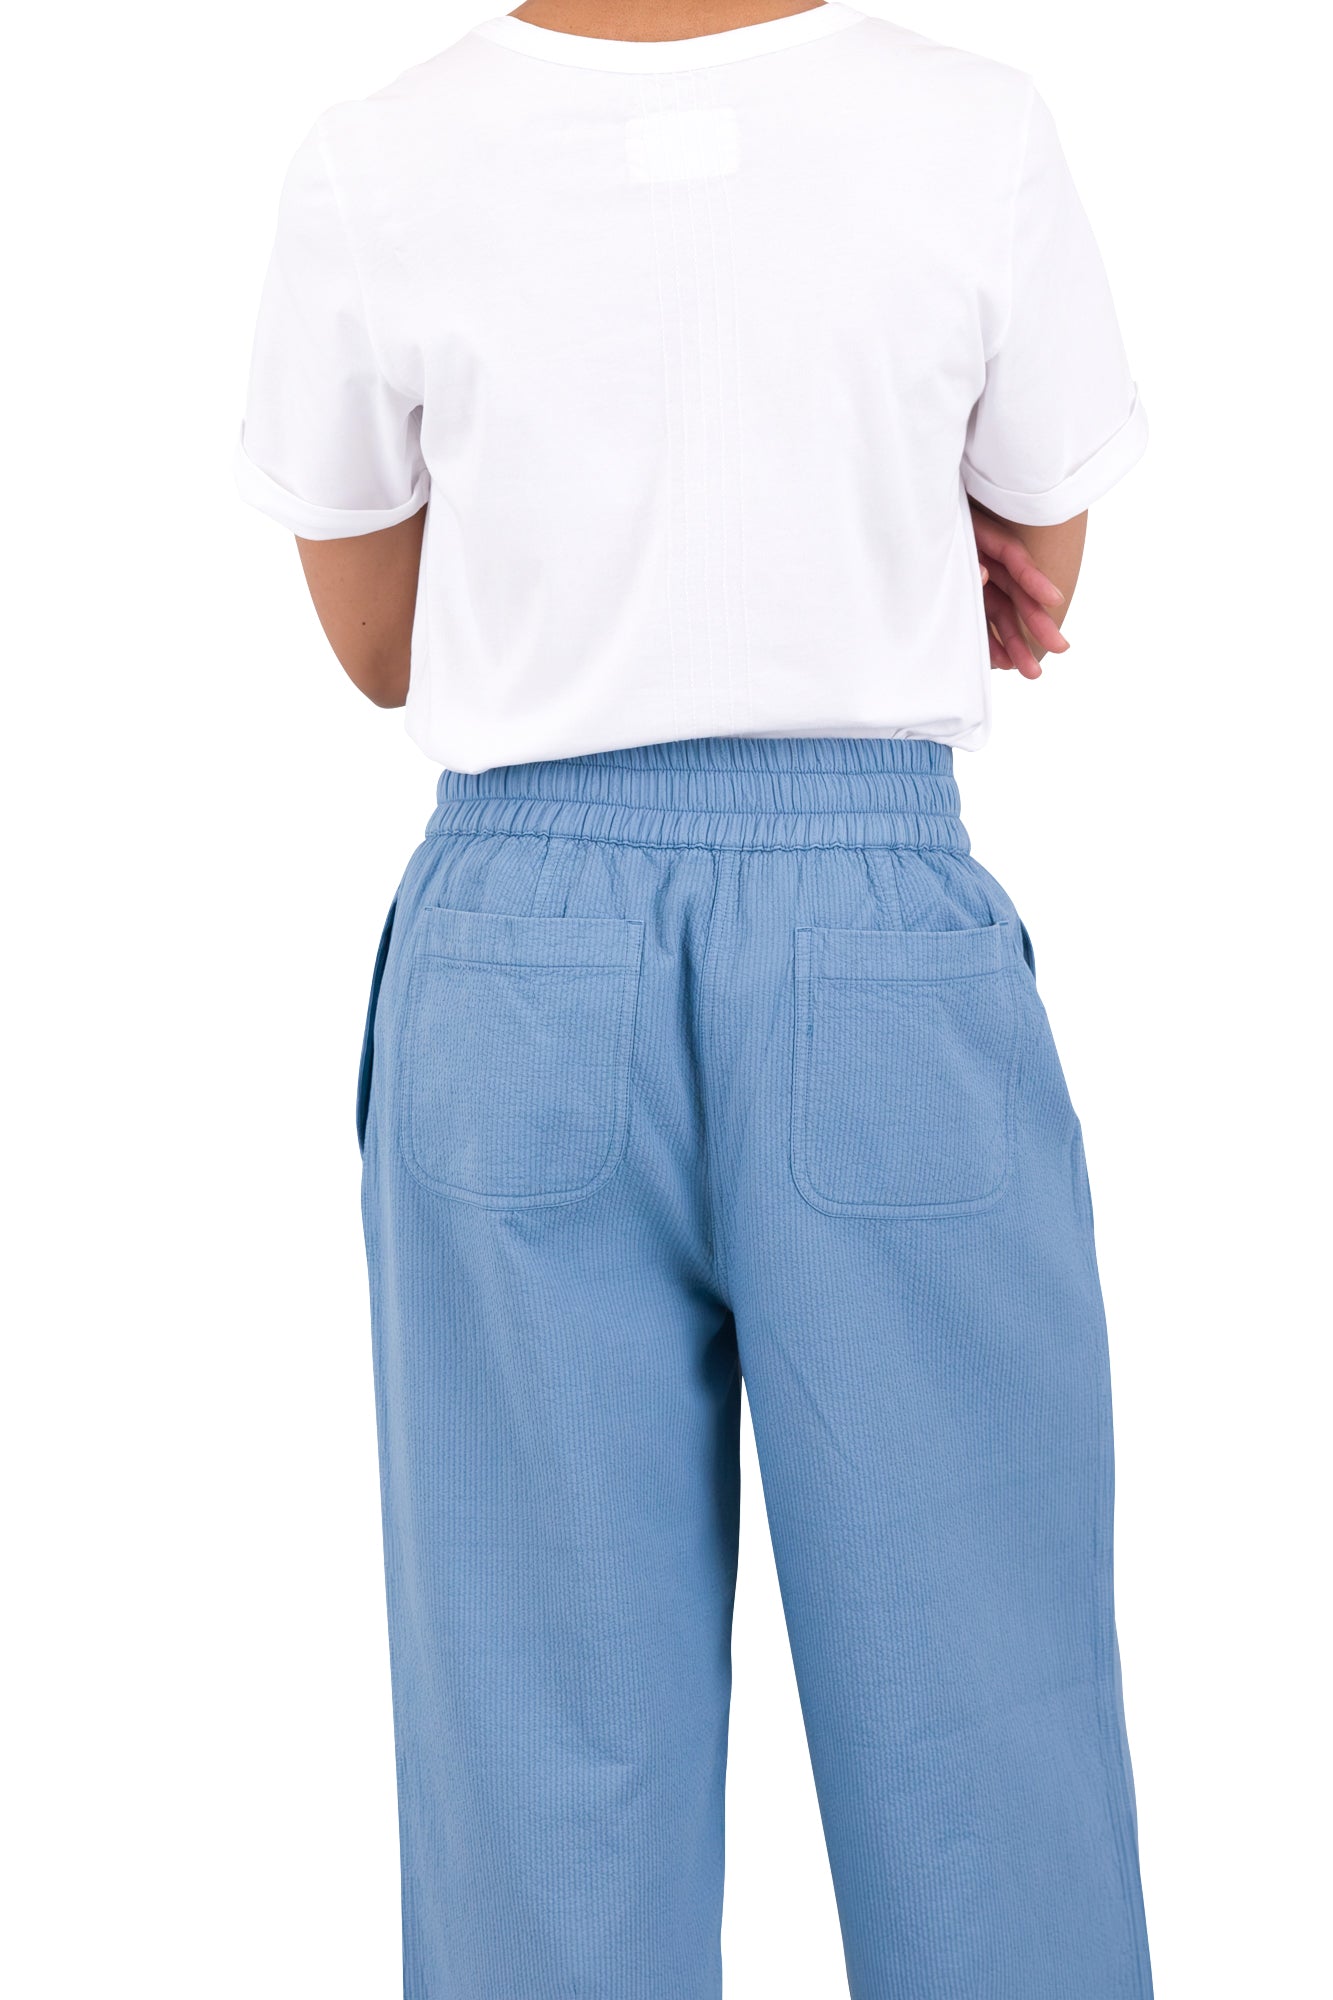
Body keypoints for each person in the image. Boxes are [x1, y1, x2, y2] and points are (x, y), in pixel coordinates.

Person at [236, 4, 1153, 1995]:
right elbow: (1039, 562)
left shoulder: (380, 156)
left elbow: (381, 645)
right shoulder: (970, 129)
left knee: (540, 1760)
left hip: (515, 959)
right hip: (876, 948)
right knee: (983, 1729)